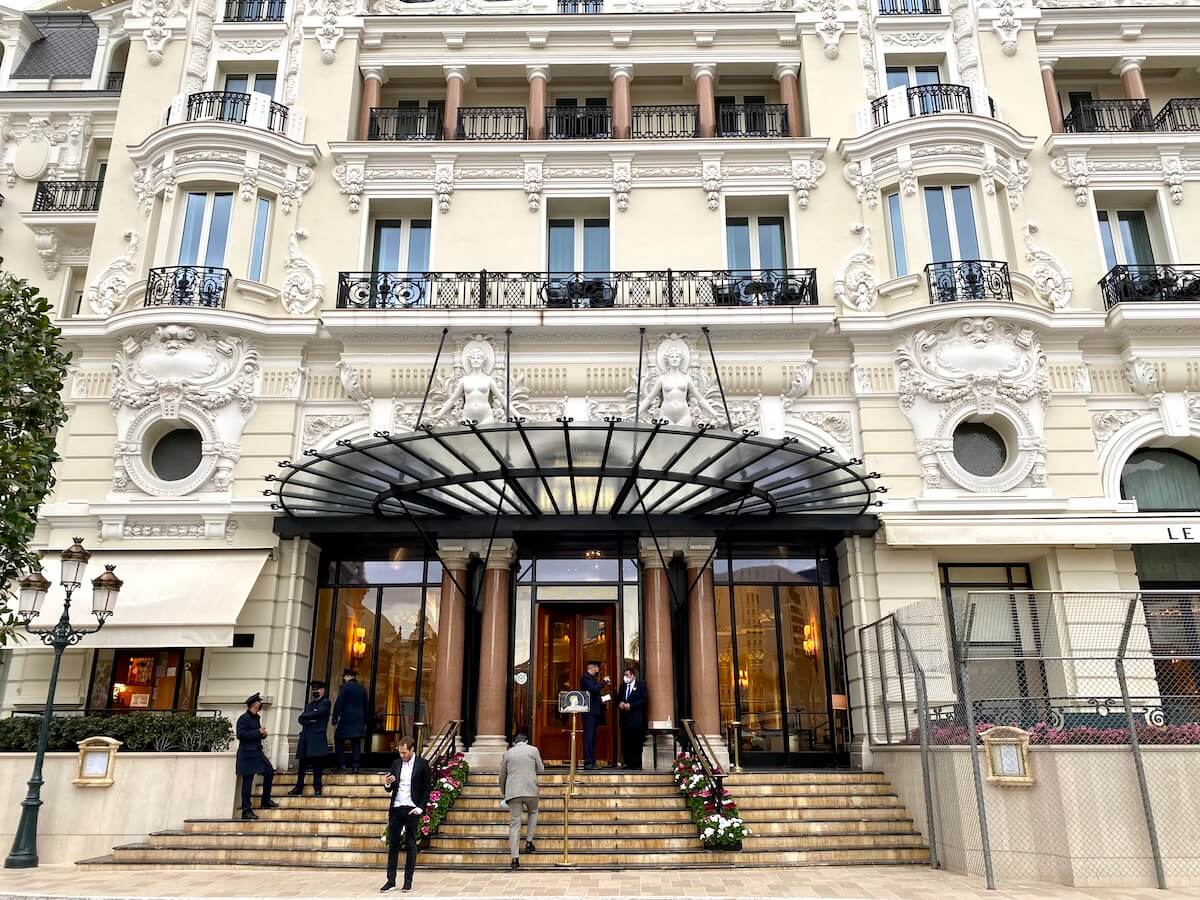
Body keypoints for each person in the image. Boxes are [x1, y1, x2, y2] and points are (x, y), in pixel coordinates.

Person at [380, 736, 431, 894]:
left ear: (412, 749)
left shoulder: (422, 765)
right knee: (393, 845)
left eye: (404, 753)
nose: (402, 756)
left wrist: (420, 808)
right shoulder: (396, 764)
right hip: (396, 808)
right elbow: (390, 787)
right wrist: (387, 783)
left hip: (412, 809)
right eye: (400, 752)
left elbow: (427, 789)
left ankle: (408, 881)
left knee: (410, 845)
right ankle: (391, 881)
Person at [499, 733, 544, 869]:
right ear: (527, 741)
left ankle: (515, 858)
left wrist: (504, 793)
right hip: (531, 789)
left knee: (514, 823)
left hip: (513, 791)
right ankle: (529, 841)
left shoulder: (508, 753)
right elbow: (541, 769)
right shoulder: (533, 750)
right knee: (533, 812)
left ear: (514, 742)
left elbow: (502, 776)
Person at [236, 692, 280, 820]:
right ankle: (246, 810)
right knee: (247, 782)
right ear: (253, 705)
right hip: (247, 754)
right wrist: (257, 732)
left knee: (269, 771)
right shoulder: (243, 718)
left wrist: (263, 734)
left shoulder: (256, 718)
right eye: (258, 703)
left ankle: (265, 800)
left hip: (257, 752)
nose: (260, 705)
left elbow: (256, 734)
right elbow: (241, 735)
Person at [289, 680, 331, 797]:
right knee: (302, 764)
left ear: (322, 690)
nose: (314, 692)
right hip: (306, 737)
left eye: (316, 690)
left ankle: (317, 787)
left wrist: (309, 716)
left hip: (317, 738)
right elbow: (301, 719)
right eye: (313, 690)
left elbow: (318, 714)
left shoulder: (326, 703)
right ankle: (299, 786)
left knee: (317, 765)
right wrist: (310, 717)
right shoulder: (309, 705)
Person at [333, 668, 368, 773]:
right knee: (356, 743)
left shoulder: (344, 687)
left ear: (347, 676)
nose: (343, 678)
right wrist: (364, 721)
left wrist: (335, 718)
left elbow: (339, 703)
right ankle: (356, 765)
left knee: (338, 740)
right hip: (358, 721)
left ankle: (341, 764)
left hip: (345, 720)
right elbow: (366, 705)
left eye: (344, 676)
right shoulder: (362, 688)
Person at [617, 666, 648, 771]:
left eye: (627, 675)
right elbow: (619, 698)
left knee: (636, 741)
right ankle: (626, 762)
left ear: (633, 676)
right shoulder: (623, 686)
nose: (625, 677)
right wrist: (620, 703)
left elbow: (643, 700)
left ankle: (636, 763)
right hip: (625, 719)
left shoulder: (640, 686)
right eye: (625, 675)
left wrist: (631, 705)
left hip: (636, 719)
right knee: (626, 741)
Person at [580, 661, 609, 770]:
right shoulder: (586, 677)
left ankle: (592, 761)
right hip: (589, 713)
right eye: (598, 667)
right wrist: (604, 681)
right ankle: (588, 762)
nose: (599, 669)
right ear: (593, 667)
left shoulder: (592, 678)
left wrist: (604, 698)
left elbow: (595, 694)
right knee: (589, 737)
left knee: (592, 737)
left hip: (594, 712)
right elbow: (594, 688)